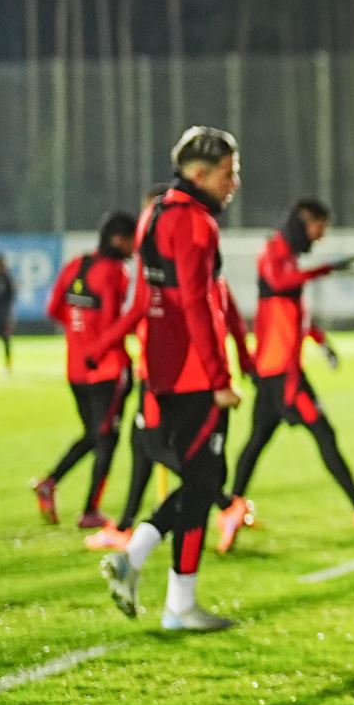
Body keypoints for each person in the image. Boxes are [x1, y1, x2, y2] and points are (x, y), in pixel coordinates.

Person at [99, 127, 252, 631]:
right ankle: (162, 588)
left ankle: (160, 584)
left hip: (162, 371)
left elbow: (150, 300)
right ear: (200, 174)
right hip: (194, 375)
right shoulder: (195, 223)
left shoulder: (155, 212)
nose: (234, 183)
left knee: (201, 480)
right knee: (205, 480)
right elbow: (197, 303)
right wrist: (220, 376)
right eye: (227, 173)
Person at [214, 198, 354, 552]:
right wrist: (324, 269)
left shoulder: (286, 256)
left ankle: (232, 511)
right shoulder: (274, 252)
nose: (320, 235)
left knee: (256, 442)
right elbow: (281, 282)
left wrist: (319, 339)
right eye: (319, 227)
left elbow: (288, 310)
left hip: (274, 368)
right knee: (322, 432)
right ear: (304, 220)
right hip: (283, 372)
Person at [32, 212, 140, 528]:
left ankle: (50, 483)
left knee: (94, 435)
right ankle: (89, 510)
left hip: (76, 369)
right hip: (106, 370)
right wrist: (106, 340)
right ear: (118, 239)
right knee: (106, 439)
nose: (134, 248)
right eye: (131, 240)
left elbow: (54, 309)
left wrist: (80, 335)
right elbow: (111, 323)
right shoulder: (115, 272)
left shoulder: (75, 265)